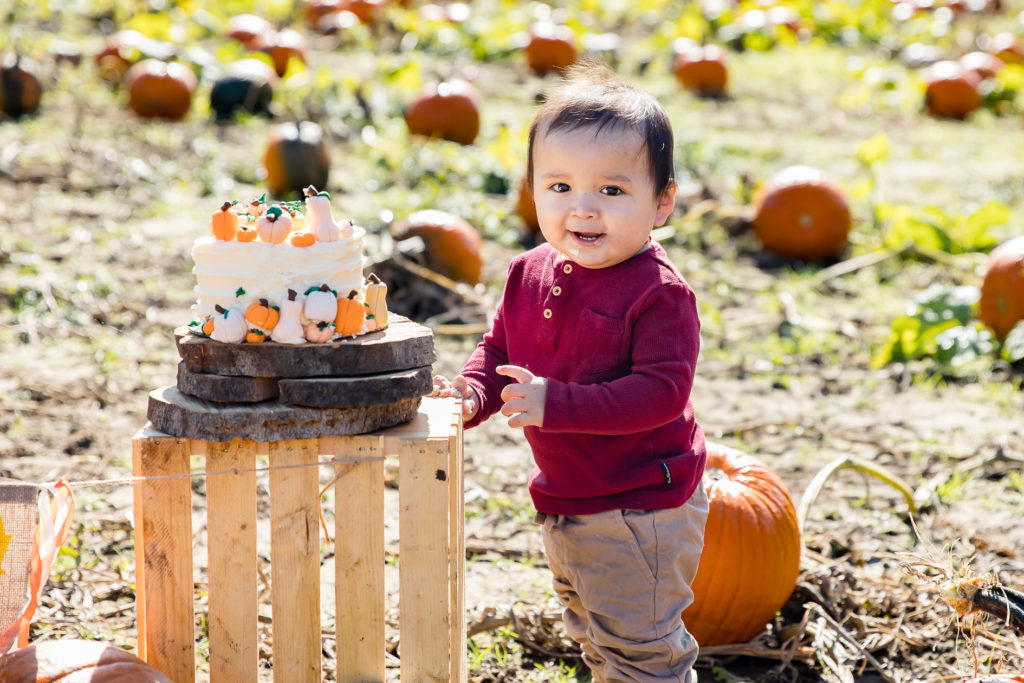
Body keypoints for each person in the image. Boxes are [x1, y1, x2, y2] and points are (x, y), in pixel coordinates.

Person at [433, 59, 708, 683]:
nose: (582, 209)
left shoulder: (658, 293)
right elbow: (499, 348)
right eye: (559, 187)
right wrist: (473, 394)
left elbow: (662, 393)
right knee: (594, 633)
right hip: (570, 495)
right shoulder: (527, 270)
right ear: (532, 191)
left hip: (642, 505)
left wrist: (557, 404)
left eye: (611, 190)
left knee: (643, 655)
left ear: (661, 203)